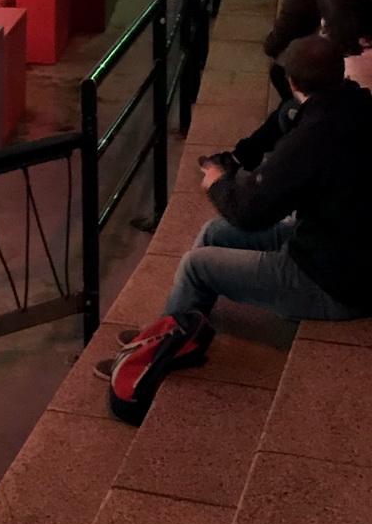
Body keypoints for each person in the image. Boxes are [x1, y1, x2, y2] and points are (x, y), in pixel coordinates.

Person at [93, 36, 372, 380]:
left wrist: (217, 182)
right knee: (213, 232)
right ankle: (180, 327)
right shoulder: (356, 106)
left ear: (292, 82)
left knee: (197, 265)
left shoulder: (312, 137)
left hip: (334, 284)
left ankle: (156, 357)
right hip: (340, 247)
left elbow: (251, 214)